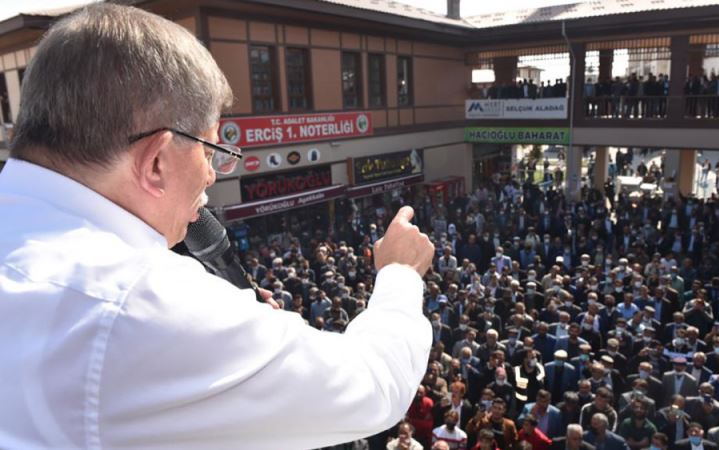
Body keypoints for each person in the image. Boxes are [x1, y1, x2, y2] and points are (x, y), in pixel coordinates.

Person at [0, 4, 435, 449]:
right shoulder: (143, 303)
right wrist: (399, 273)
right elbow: (372, 386)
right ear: (155, 161)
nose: (212, 175)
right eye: (209, 151)